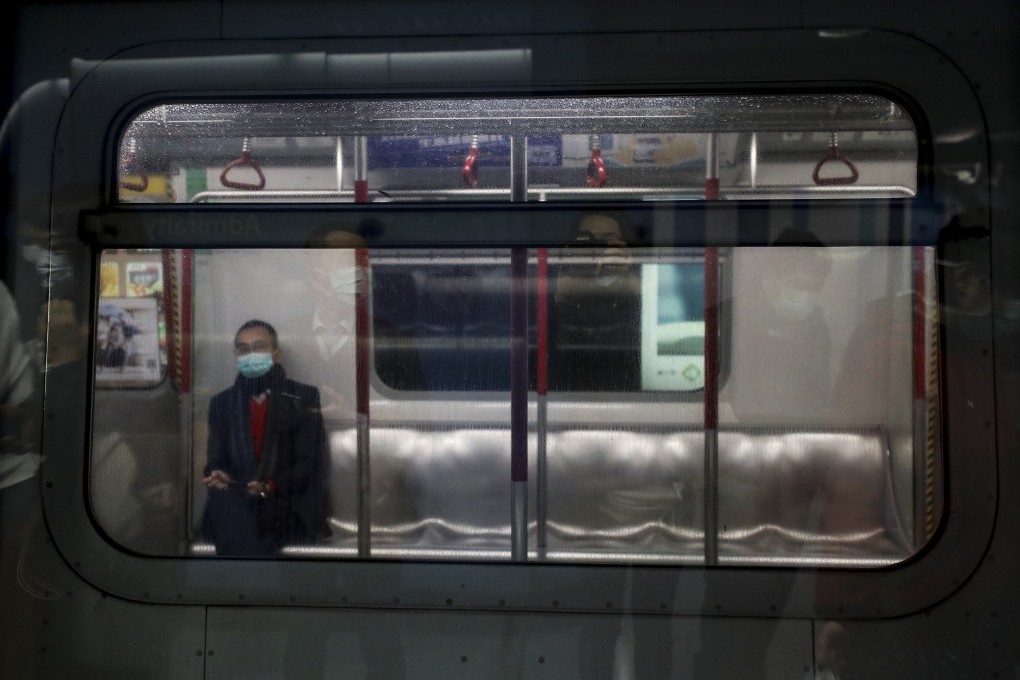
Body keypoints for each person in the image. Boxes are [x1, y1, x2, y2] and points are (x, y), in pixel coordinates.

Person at [201, 319, 332, 557]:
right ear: (236, 356)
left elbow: (310, 462)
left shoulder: (302, 396)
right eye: (243, 349)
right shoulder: (222, 403)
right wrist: (218, 474)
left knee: (256, 523)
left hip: (287, 499)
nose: (250, 354)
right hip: (238, 500)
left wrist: (269, 487)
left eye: (259, 347)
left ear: (276, 355)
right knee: (233, 513)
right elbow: (215, 459)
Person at [550, 211, 642, 392]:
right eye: (587, 241)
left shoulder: (636, 292)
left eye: (609, 242)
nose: (598, 250)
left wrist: (629, 278)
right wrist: (561, 291)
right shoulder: (563, 288)